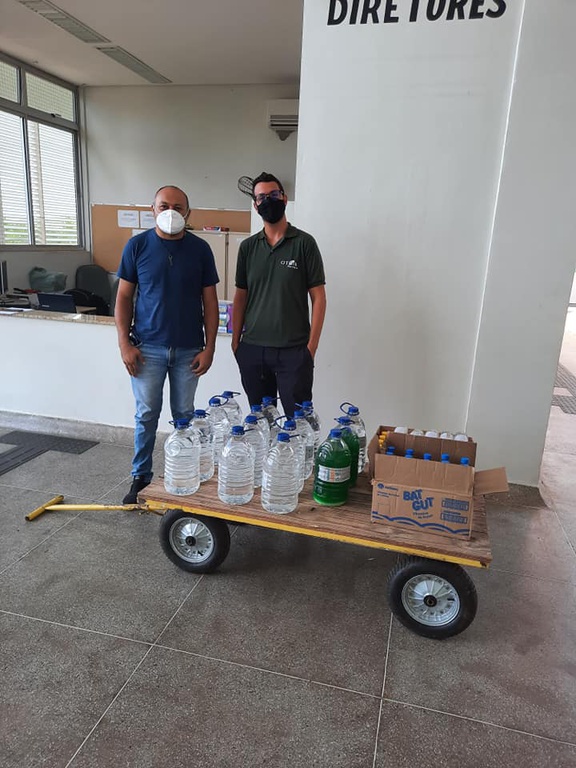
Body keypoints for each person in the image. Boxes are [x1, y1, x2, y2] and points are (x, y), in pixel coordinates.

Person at [115, 185, 219, 504]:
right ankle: (141, 477)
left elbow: (210, 303)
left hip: (189, 350)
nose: (170, 212)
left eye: (177, 207)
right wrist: (124, 344)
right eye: (164, 206)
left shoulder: (200, 249)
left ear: (188, 213)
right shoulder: (137, 246)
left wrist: (210, 347)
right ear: (153, 209)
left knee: (184, 416)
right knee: (146, 414)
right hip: (147, 349)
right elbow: (123, 297)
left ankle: (182, 475)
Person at [232, 172, 326, 417]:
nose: (268, 201)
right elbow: (240, 297)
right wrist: (236, 343)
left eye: (273, 194)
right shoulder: (248, 248)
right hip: (253, 348)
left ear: (284, 198)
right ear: (255, 205)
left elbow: (318, 298)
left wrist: (311, 348)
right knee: (261, 423)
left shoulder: (304, 243)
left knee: (299, 423)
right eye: (261, 197)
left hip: (294, 350)